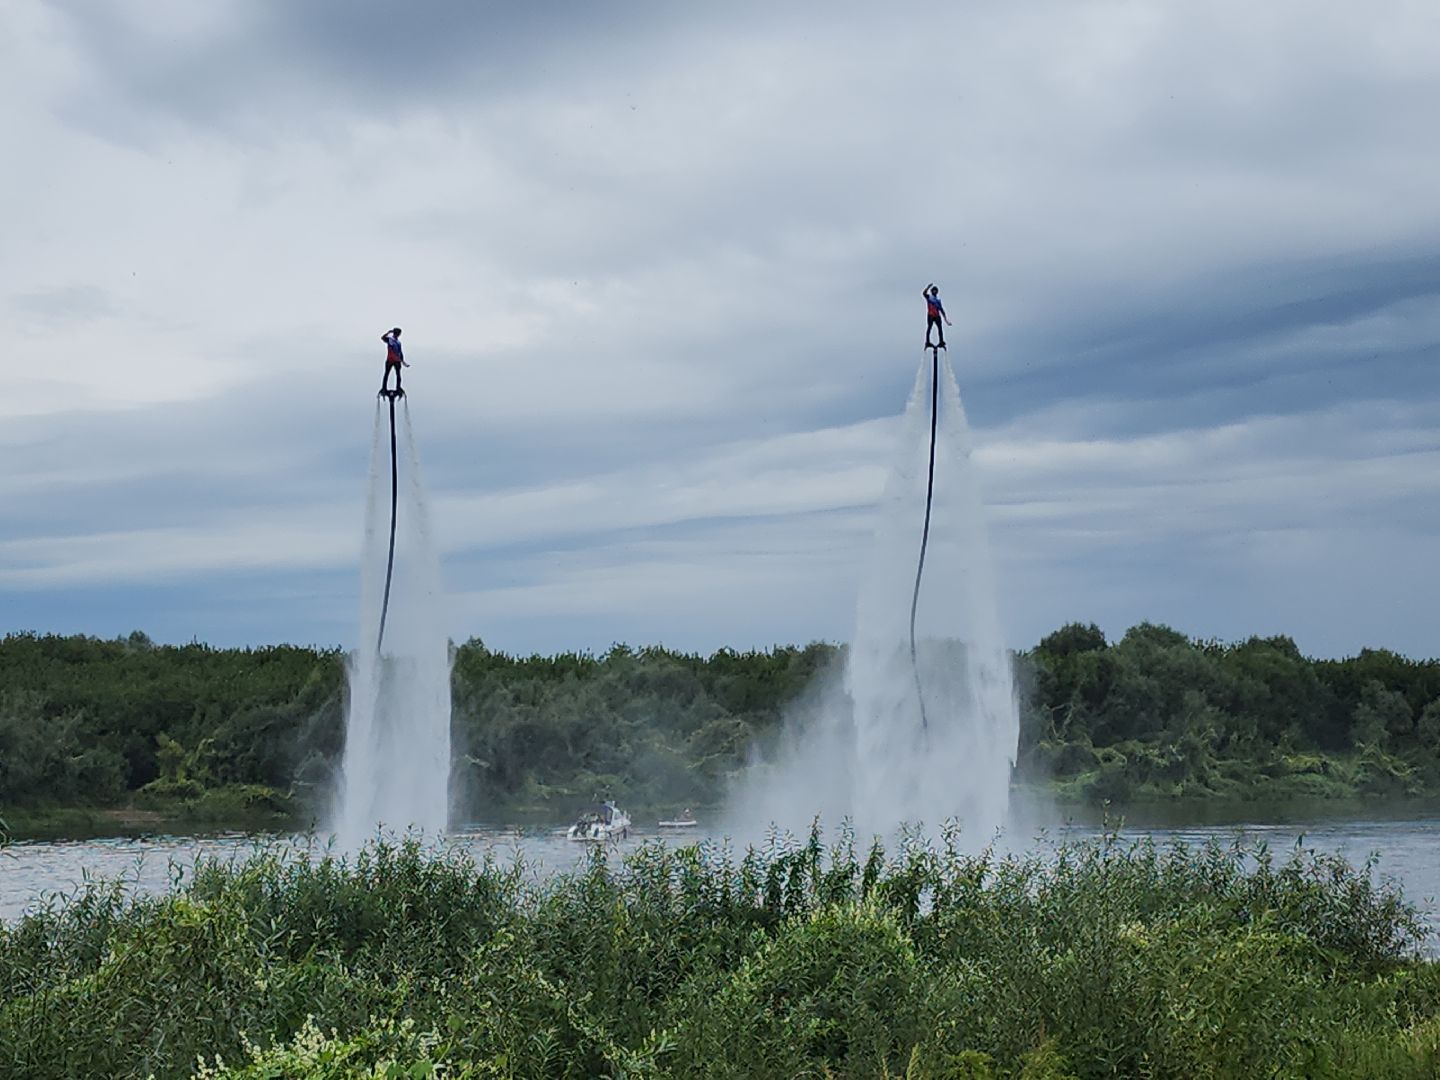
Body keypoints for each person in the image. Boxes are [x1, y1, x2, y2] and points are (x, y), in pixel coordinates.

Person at [379, 327, 408, 395]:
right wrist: (388, 333)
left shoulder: (398, 342)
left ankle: (398, 387)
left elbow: (400, 352)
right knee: (387, 374)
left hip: (397, 360)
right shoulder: (390, 339)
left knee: (398, 375)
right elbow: (382, 338)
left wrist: (403, 361)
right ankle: (384, 387)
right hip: (390, 360)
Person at [923, 284, 951, 349]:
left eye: (936, 291)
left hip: (937, 316)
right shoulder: (929, 297)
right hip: (930, 315)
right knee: (929, 328)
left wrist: (946, 320)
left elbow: (942, 310)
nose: (935, 292)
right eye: (933, 290)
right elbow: (924, 293)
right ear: (932, 291)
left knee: (940, 329)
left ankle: (941, 341)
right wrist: (928, 287)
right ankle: (927, 341)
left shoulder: (938, 301)